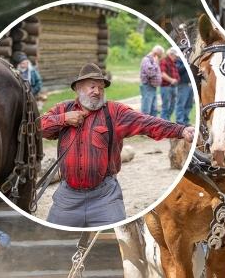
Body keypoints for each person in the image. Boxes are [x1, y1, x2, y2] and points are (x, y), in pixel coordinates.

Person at [41, 63, 195, 227]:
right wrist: (64, 119)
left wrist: (181, 130)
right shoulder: (63, 109)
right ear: (78, 88)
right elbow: (38, 127)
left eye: (101, 88)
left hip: (105, 197)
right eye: (92, 86)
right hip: (67, 197)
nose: (97, 91)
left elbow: (147, 123)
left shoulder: (115, 112)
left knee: (121, 234)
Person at [139, 45, 163, 116]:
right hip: (147, 87)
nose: (159, 58)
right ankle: (144, 126)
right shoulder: (146, 60)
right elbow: (150, 73)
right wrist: (156, 63)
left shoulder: (153, 61)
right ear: (155, 54)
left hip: (153, 87)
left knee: (154, 109)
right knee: (146, 110)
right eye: (159, 56)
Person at [158, 47, 181, 121]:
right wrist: (171, 80)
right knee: (166, 106)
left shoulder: (173, 62)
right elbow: (162, 74)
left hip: (173, 87)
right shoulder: (164, 61)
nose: (176, 58)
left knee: (172, 105)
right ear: (171, 54)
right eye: (175, 56)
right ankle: (163, 123)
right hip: (166, 87)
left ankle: (167, 120)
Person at [173, 54, 194, 124]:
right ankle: (179, 121)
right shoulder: (178, 60)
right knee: (181, 104)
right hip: (182, 84)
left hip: (190, 84)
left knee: (189, 104)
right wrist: (186, 64)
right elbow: (178, 70)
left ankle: (185, 120)